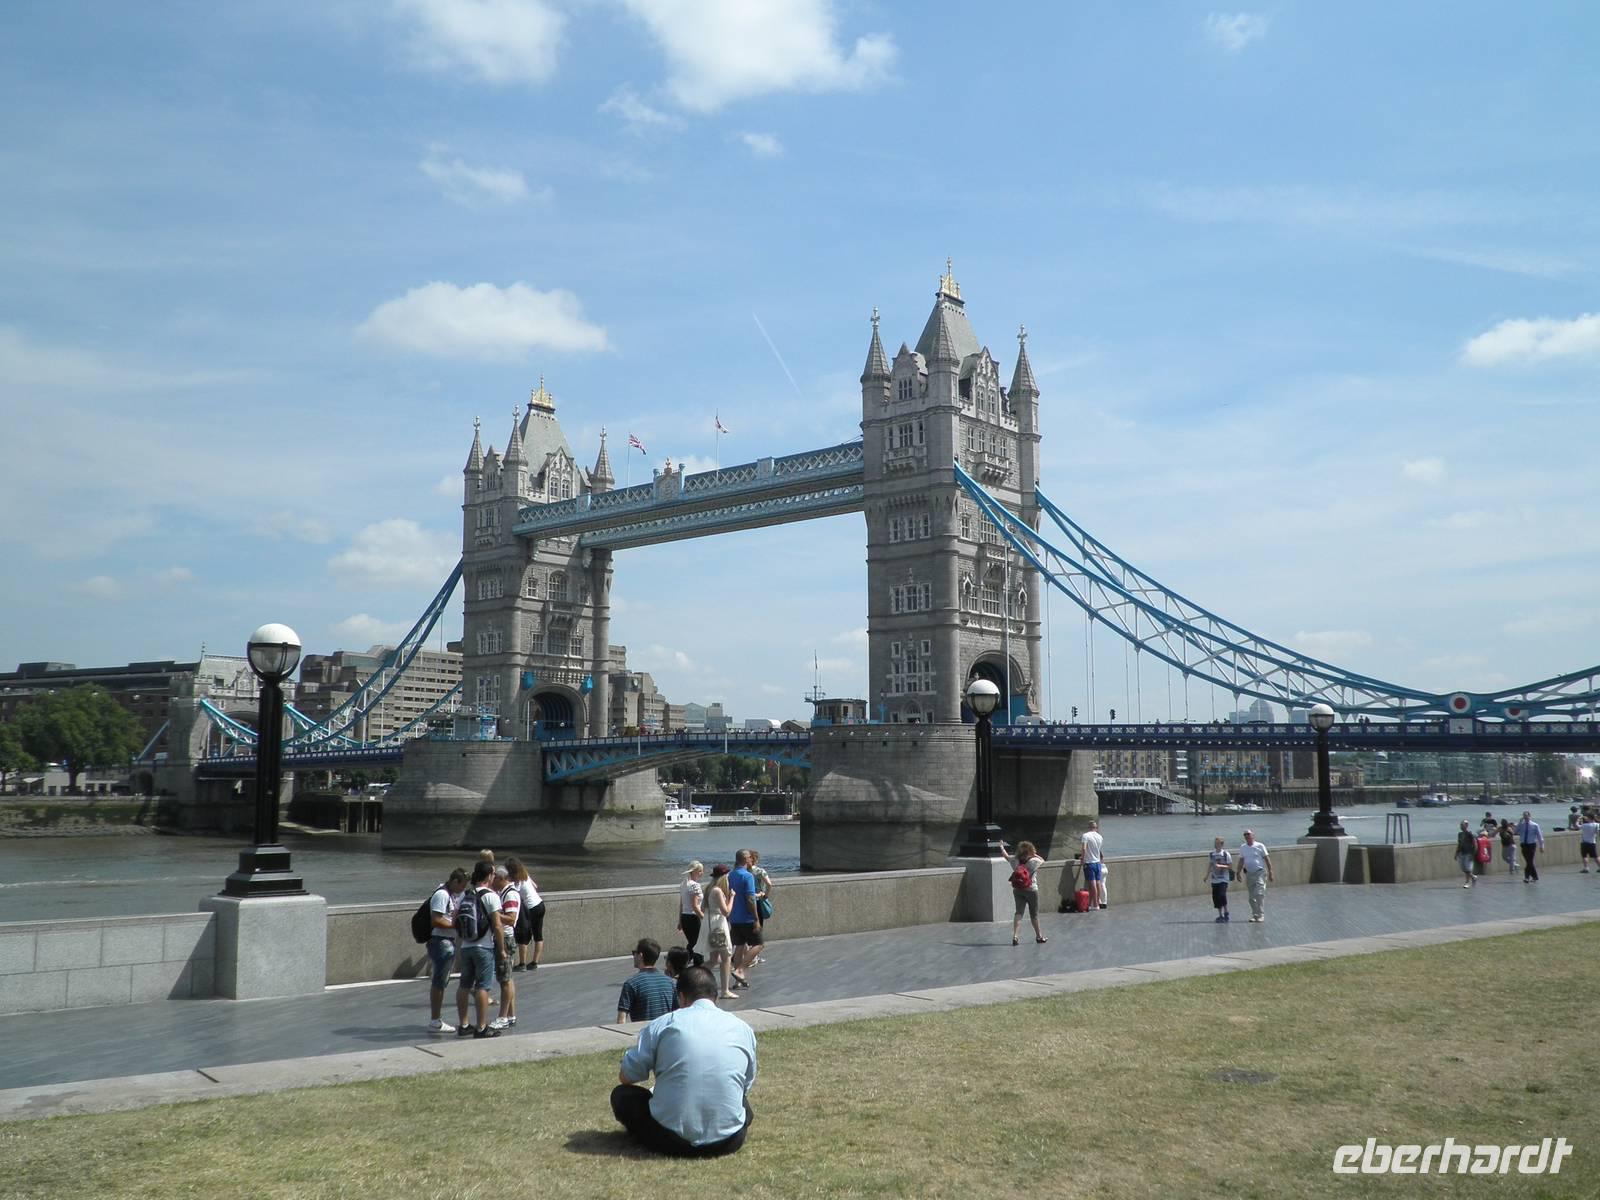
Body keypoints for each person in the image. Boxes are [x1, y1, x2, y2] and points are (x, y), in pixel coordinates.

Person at [612, 965, 757, 1157]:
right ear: (715, 996)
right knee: (740, 1099)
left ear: (681, 996)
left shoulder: (663, 1024)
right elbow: (745, 1084)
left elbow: (627, 1077)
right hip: (729, 1140)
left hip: (670, 1140)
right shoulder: (742, 1028)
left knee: (621, 1095)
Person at [454, 860, 504, 1038]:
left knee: (464, 985)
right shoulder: (491, 896)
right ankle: (482, 1027)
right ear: (489, 876)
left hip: (466, 946)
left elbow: (455, 919)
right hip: (484, 947)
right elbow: (497, 925)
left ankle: (464, 1025)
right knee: (482, 987)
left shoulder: (465, 895)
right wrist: (502, 950)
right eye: (493, 874)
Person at [425, 868, 468, 1033]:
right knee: (439, 982)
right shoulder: (442, 895)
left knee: (442, 981)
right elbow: (436, 920)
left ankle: (436, 1019)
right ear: (455, 881)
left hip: (447, 941)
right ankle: (435, 1021)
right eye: (462, 885)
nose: (463, 889)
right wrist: (456, 925)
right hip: (440, 941)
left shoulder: (453, 894)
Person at [618, 937, 679, 1024]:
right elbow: (677, 1013)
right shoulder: (670, 983)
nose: (634, 956)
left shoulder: (631, 984)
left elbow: (621, 1020)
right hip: (664, 1031)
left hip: (643, 1031)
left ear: (640, 955)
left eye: (634, 953)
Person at [489, 866, 520, 1030]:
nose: (492, 881)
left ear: (501, 878)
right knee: (508, 978)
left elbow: (511, 918)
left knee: (505, 980)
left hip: (506, 939)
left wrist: (493, 913)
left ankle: (503, 1017)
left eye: (494, 878)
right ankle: (511, 1015)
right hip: (506, 938)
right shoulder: (505, 893)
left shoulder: (510, 894)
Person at [727, 849, 763, 988]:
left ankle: (737, 981)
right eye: (749, 857)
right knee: (759, 944)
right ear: (745, 859)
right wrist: (756, 919)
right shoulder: (747, 876)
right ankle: (740, 970)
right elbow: (750, 899)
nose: (751, 860)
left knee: (739, 946)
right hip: (747, 918)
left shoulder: (730, 875)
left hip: (734, 917)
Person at [1001, 839, 1047, 945]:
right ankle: (1039, 936)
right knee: (1034, 914)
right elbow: (1043, 860)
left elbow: (1006, 856)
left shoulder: (1015, 860)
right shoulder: (1034, 861)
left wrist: (1002, 847)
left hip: (1018, 890)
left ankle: (1015, 936)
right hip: (1031, 889)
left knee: (1018, 912)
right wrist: (1034, 854)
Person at [506, 857, 545, 971]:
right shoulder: (525, 875)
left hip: (531, 908)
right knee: (538, 935)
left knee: (524, 935)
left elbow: (513, 892)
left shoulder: (516, 882)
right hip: (540, 904)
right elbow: (535, 886)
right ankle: (534, 962)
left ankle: (522, 964)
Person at [705, 865, 737, 1000]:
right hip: (719, 925)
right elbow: (726, 911)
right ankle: (725, 990)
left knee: (714, 959)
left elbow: (704, 907)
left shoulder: (709, 888)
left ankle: (693, 975)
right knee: (726, 957)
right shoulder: (718, 891)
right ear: (723, 877)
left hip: (712, 923)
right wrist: (732, 897)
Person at [1237, 830, 1274, 922]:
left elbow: (1267, 859)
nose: (1247, 836)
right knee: (1251, 897)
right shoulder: (1243, 847)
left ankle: (1261, 914)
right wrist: (1238, 872)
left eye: (1248, 834)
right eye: (1245, 834)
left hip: (1260, 872)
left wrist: (1270, 872)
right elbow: (1241, 861)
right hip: (1249, 874)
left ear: (1253, 835)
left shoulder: (1260, 846)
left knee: (1259, 893)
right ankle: (1255, 915)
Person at [678, 861, 705, 966]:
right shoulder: (695, 886)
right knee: (697, 944)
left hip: (685, 917)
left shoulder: (683, 884)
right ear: (694, 872)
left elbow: (681, 904)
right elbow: (695, 906)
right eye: (700, 871)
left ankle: (683, 963)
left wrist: (680, 921)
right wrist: (703, 917)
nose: (702, 873)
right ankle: (698, 965)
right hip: (693, 917)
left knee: (692, 943)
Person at [749, 850, 774, 962]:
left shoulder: (744, 871)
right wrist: (765, 895)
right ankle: (755, 956)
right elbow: (769, 884)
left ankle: (747, 953)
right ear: (756, 859)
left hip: (746, 901)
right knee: (758, 927)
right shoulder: (759, 871)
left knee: (748, 928)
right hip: (758, 900)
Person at [1203, 836, 1232, 923]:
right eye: (1215, 843)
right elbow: (1210, 865)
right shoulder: (1212, 854)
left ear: (1221, 844)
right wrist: (1206, 875)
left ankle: (1226, 911)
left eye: (1217, 843)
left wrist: (1221, 866)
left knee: (1222, 895)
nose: (1215, 845)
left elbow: (1230, 866)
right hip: (1214, 879)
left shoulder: (1226, 854)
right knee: (1216, 897)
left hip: (1223, 879)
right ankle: (1220, 915)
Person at [1081, 820, 1107, 910]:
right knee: (1098, 882)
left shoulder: (1085, 836)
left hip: (1090, 862)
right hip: (1097, 863)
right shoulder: (1100, 837)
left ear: (1089, 827)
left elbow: (1084, 849)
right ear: (1096, 828)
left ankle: (1095, 904)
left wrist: (1082, 859)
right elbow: (1098, 850)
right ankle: (1097, 903)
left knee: (1092, 883)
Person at [1516, 810, 1544, 882]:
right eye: (1524, 816)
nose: (1526, 817)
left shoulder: (1535, 825)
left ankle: (1527, 877)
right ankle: (1535, 877)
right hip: (1524, 845)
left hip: (1531, 845)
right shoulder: (1521, 825)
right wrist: (1519, 822)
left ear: (1530, 816)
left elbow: (1539, 836)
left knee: (1530, 861)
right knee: (1528, 861)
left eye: (1527, 816)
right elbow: (1516, 831)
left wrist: (1541, 846)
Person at [1455, 821, 1478, 888]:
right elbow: (1459, 844)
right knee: (1463, 869)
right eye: (1461, 825)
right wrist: (1456, 853)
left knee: (1467, 869)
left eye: (1462, 825)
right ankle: (1473, 877)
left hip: (1468, 853)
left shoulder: (1469, 834)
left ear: (1466, 826)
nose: (1461, 826)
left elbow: (1475, 844)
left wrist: (1473, 854)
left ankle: (1467, 883)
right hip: (1461, 853)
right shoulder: (1460, 834)